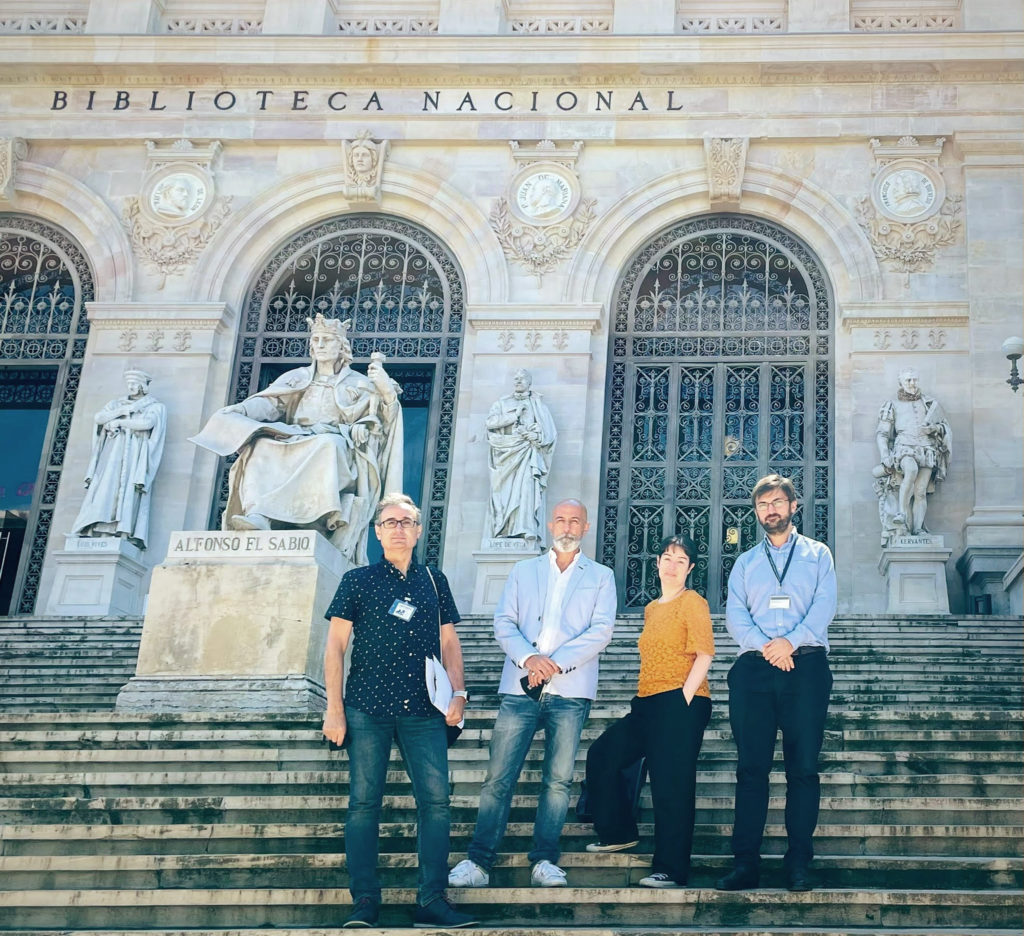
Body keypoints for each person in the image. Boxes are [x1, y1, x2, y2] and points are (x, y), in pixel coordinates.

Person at [322, 493, 477, 929]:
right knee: (363, 805)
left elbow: (449, 642)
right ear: (377, 531)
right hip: (366, 707)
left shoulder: (433, 580)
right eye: (389, 522)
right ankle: (365, 902)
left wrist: (460, 694)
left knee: (437, 803)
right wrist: (334, 708)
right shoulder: (357, 580)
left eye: (406, 522)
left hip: (424, 710)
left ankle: (431, 899)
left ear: (418, 530)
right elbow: (335, 647)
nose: (398, 529)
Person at [449, 499, 616, 889]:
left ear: (586, 527)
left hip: (571, 691)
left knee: (558, 781)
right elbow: (504, 621)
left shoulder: (601, 575)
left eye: (575, 520)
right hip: (519, 688)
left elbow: (601, 630)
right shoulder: (524, 571)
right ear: (550, 524)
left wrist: (554, 662)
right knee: (497, 778)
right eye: (560, 519)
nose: (567, 526)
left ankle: (544, 859)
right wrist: (529, 658)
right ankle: (479, 860)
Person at [190, 313, 403, 566]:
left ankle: (316, 517)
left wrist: (385, 393)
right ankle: (260, 515)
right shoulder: (297, 377)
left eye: (327, 340)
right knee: (260, 446)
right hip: (294, 436)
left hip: (334, 441)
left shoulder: (360, 383)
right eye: (316, 340)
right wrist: (241, 410)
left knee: (326, 446)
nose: (320, 345)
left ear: (342, 347)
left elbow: (384, 423)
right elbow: (268, 403)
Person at [717, 474, 836, 893]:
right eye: (763, 504)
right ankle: (745, 863)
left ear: (792, 506)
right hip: (754, 670)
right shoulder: (746, 562)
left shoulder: (818, 555)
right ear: (757, 512)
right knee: (752, 770)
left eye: (777, 501)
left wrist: (789, 641)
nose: (771, 509)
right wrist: (767, 647)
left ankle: (798, 862)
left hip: (806, 667)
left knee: (803, 770)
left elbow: (824, 606)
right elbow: (735, 614)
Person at [582, 532, 714, 888]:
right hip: (646, 703)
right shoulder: (651, 609)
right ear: (657, 564)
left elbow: (704, 653)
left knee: (672, 787)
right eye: (667, 558)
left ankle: (671, 869)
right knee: (602, 755)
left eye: (680, 561)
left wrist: (681, 699)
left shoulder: (693, 602)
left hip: (682, 702)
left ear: (690, 568)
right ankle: (618, 831)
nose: (672, 566)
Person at [70, 367, 166, 549]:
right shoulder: (117, 404)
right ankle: (94, 526)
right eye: (128, 384)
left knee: (127, 493)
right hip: (113, 454)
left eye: (134, 384)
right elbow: (99, 418)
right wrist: (121, 413)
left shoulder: (154, 406)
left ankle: (121, 530)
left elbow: (147, 423)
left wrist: (121, 422)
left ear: (142, 386)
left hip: (134, 457)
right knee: (104, 488)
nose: (130, 387)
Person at [875, 368, 951, 540]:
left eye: (915, 380)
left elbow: (943, 428)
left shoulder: (929, 403)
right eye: (908, 380)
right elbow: (883, 433)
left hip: (926, 448)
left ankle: (917, 528)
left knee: (921, 491)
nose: (912, 383)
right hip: (904, 447)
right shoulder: (892, 404)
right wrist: (885, 456)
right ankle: (901, 513)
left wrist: (934, 428)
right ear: (901, 382)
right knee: (910, 470)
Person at [484, 369, 557, 544]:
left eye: (521, 378)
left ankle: (525, 528)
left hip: (528, 453)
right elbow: (490, 423)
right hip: (505, 456)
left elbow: (550, 433)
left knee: (526, 488)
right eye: (515, 378)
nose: (517, 381)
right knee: (503, 493)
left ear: (529, 382)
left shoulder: (539, 405)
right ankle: (503, 529)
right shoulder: (501, 404)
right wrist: (514, 415)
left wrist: (537, 437)